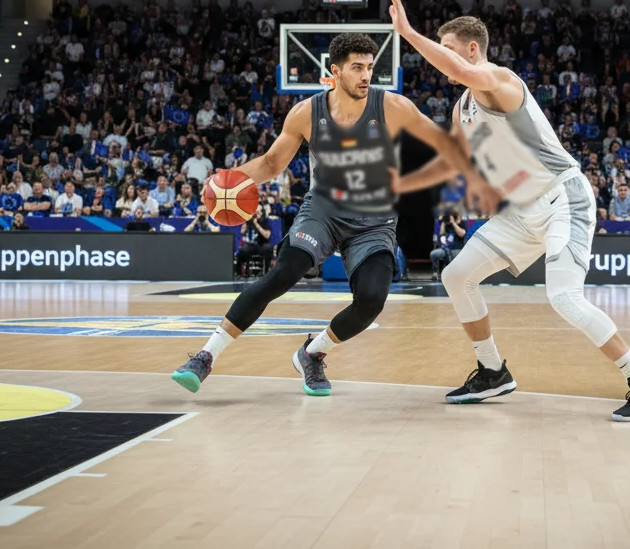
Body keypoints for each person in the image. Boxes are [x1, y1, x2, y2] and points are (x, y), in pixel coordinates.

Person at [383, 0, 630, 422]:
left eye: (447, 48)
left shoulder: (500, 80)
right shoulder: (462, 106)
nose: (439, 57)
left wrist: (408, 33)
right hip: (520, 211)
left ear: (472, 49)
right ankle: (493, 370)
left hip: (562, 198)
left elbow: (462, 75)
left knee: (564, 298)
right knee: (458, 274)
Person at [172, 32, 493, 397]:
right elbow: (273, 163)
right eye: (357, 67)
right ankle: (205, 356)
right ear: (335, 70)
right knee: (283, 274)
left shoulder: (392, 107)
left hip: (375, 220)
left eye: (370, 67)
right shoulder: (307, 112)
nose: (365, 76)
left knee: (372, 300)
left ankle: (312, 353)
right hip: (322, 212)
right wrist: (225, 182)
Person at [235, 205, 274, 275]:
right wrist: (247, 219)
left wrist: (256, 224)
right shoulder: (249, 221)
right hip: (250, 245)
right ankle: (240, 272)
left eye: (257, 212)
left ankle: (266, 271)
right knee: (242, 250)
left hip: (261, 244)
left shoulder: (264, 221)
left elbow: (267, 236)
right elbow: (242, 232)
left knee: (268, 248)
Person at [430, 207, 466, 279]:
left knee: (454, 255)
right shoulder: (446, 223)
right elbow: (441, 234)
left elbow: (462, 234)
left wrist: (453, 223)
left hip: (457, 249)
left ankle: (455, 274)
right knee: (434, 254)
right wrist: (444, 222)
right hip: (446, 249)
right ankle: (439, 272)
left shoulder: (461, 223)